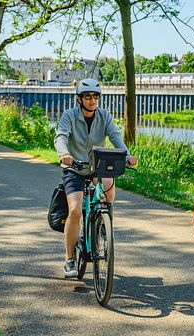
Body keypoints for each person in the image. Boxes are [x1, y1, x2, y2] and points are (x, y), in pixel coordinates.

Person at [54, 78, 137, 278]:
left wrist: (126, 155)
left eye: (96, 97)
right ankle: (69, 259)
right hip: (74, 168)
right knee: (75, 211)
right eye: (88, 97)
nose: (92, 101)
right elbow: (61, 136)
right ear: (79, 99)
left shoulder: (104, 116)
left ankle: (103, 223)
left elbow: (116, 137)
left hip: (96, 167)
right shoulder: (69, 116)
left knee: (108, 188)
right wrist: (64, 154)